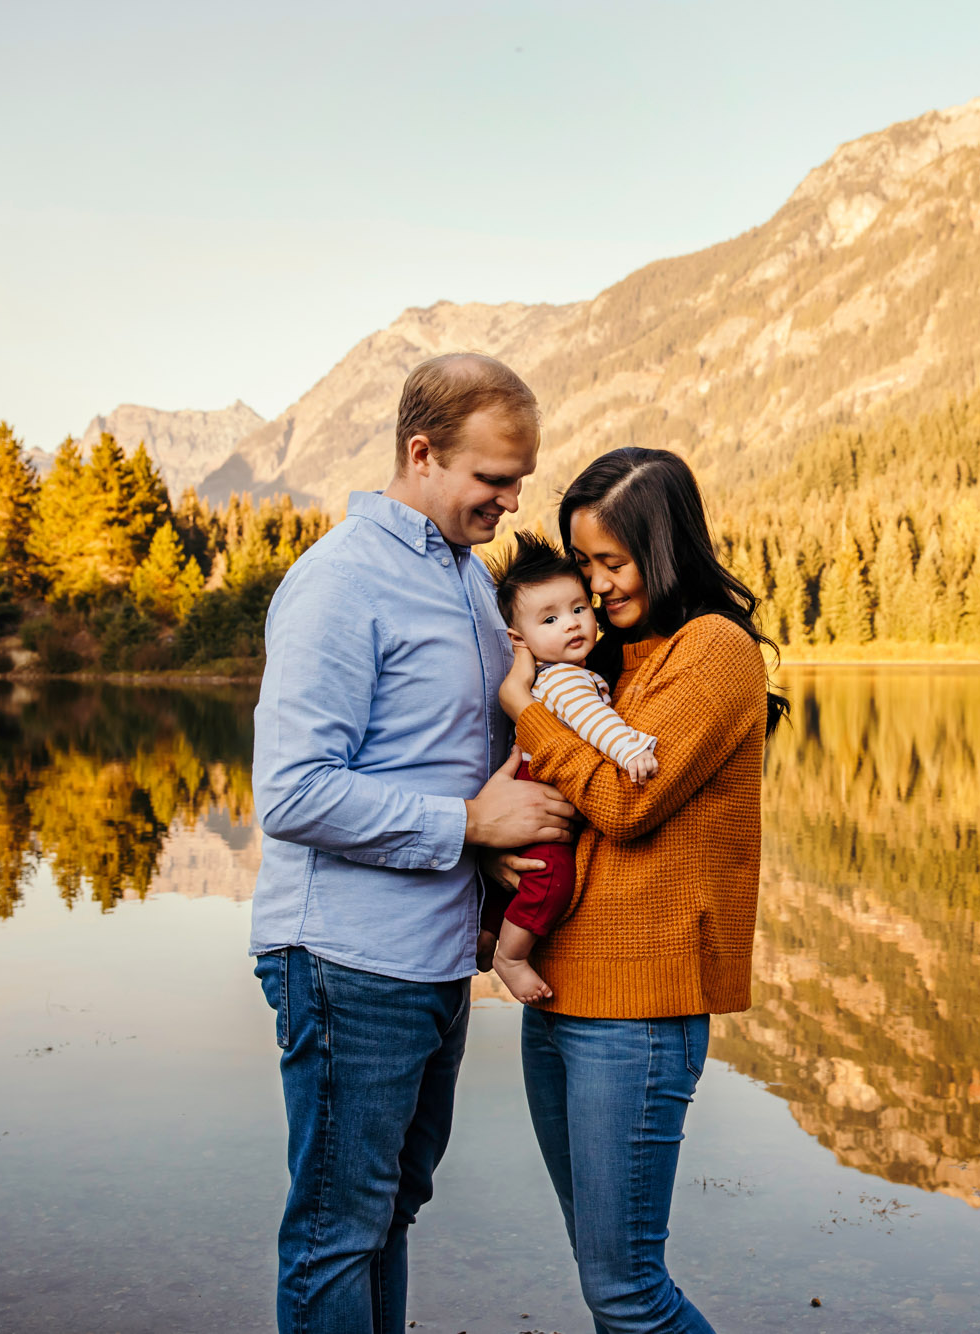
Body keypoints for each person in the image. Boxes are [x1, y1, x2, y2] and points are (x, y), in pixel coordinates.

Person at [249, 352, 570, 1334]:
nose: (511, 503)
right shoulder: (340, 582)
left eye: (519, 480)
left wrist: (489, 885)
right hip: (346, 956)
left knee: (389, 1211)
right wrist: (470, 826)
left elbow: (450, 757)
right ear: (420, 452)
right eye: (491, 479)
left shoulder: (472, 583)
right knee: (337, 1229)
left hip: (431, 957)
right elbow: (293, 791)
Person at [496, 446, 789, 1334]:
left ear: (663, 549)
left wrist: (526, 709)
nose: (596, 585)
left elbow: (627, 800)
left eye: (611, 563)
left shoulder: (715, 652)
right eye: (584, 564)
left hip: (640, 1007)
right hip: (560, 993)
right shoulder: (609, 659)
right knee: (603, 1277)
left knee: (627, 1290)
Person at [485, 531, 660, 1004]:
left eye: (579, 609)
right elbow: (596, 723)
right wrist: (630, 750)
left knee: (525, 872)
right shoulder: (565, 681)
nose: (571, 624)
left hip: (538, 787)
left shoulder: (568, 674)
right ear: (520, 640)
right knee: (552, 877)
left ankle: (488, 931)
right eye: (551, 618)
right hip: (542, 791)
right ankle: (512, 957)